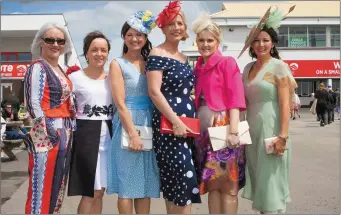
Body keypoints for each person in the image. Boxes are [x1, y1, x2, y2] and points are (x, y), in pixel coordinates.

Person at [239, 6, 297, 213]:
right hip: (251, 129)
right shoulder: (246, 69)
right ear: (250, 44)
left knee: (271, 179)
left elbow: (285, 104)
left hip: (272, 128)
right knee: (258, 179)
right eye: (256, 40)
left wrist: (283, 136)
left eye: (265, 40)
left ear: (272, 43)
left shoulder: (279, 66)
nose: (261, 44)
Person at [145, 1, 202, 214]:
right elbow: (154, 92)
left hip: (187, 127)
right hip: (171, 127)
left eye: (180, 23)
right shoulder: (157, 53)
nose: (176, 27)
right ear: (162, 27)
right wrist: (176, 121)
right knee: (182, 183)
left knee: (176, 185)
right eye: (170, 24)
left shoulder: (184, 57)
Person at [191, 12, 246, 214]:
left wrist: (233, 130)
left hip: (223, 127)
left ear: (217, 41)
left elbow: (235, 98)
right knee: (211, 184)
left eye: (210, 40)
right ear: (196, 41)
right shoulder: (197, 67)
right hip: (203, 131)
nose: (205, 44)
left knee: (229, 185)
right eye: (201, 40)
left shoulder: (227, 63)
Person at [106, 10, 160, 214]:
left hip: (149, 121)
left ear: (146, 38)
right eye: (130, 34)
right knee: (127, 183)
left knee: (146, 181)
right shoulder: (117, 63)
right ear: (123, 37)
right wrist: (133, 134)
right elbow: (119, 103)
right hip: (128, 121)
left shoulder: (151, 63)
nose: (134, 38)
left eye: (139, 35)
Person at [23, 22, 75, 214]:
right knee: (41, 185)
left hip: (65, 131)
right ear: (41, 43)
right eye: (50, 40)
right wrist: (47, 134)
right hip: (47, 131)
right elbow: (33, 104)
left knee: (58, 183)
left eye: (60, 41)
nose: (55, 44)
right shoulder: (37, 67)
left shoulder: (60, 69)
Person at [67, 31, 113, 214]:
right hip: (86, 137)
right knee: (89, 192)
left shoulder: (113, 77)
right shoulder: (74, 78)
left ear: (108, 53)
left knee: (100, 192)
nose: (99, 54)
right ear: (86, 53)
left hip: (109, 138)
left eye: (103, 50)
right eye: (94, 50)